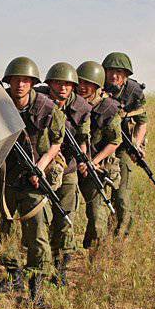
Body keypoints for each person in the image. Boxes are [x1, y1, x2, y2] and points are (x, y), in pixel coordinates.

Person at [0, 57, 66, 307]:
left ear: (33, 83)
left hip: (35, 179)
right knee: (1, 230)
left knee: (37, 237)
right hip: (6, 177)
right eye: (16, 80)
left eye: (25, 80)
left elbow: (57, 143)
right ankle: (12, 275)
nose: (20, 85)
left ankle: (35, 289)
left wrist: (41, 166)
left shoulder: (49, 109)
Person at [43, 62, 91, 286]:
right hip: (43, 167)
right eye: (58, 83)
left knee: (64, 218)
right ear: (50, 84)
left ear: (73, 86)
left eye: (67, 84)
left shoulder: (81, 108)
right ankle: (39, 265)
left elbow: (83, 140)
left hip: (69, 169)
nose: (62, 88)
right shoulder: (40, 101)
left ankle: (60, 268)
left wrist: (83, 160)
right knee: (42, 219)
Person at [76, 61, 122, 250]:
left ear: (98, 86)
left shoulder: (108, 109)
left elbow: (115, 141)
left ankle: (96, 255)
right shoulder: (71, 103)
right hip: (71, 164)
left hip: (96, 165)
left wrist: (93, 162)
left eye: (88, 83)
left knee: (97, 216)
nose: (83, 87)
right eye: (79, 82)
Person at [102, 52, 148, 236]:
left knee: (121, 197)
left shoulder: (134, 91)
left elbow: (142, 121)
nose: (114, 76)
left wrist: (136, 144)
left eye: (119, 72)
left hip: (122, 147)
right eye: (111, 71)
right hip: (98, 147)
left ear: (126, 74)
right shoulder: (96, 86)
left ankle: (119, 237)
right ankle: (97, 237)